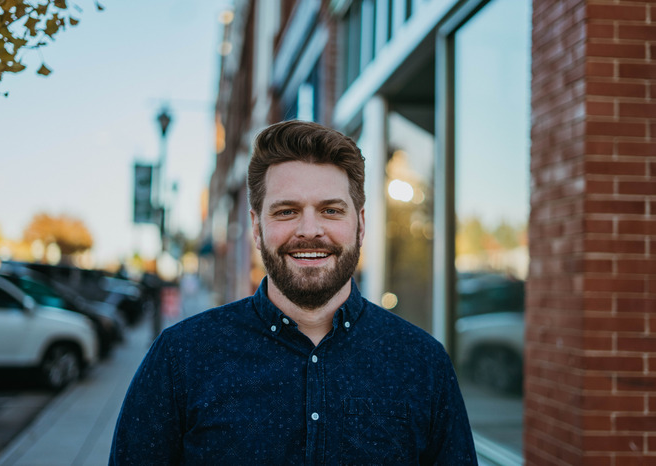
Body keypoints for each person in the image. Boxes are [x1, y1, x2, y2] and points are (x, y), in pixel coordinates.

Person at [109, 120, 477, 465]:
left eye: (331, 210)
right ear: (256, 227)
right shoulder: (181, 359)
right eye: (286, 212)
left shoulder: (422, 363)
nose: (310, 230)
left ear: (360, 225)